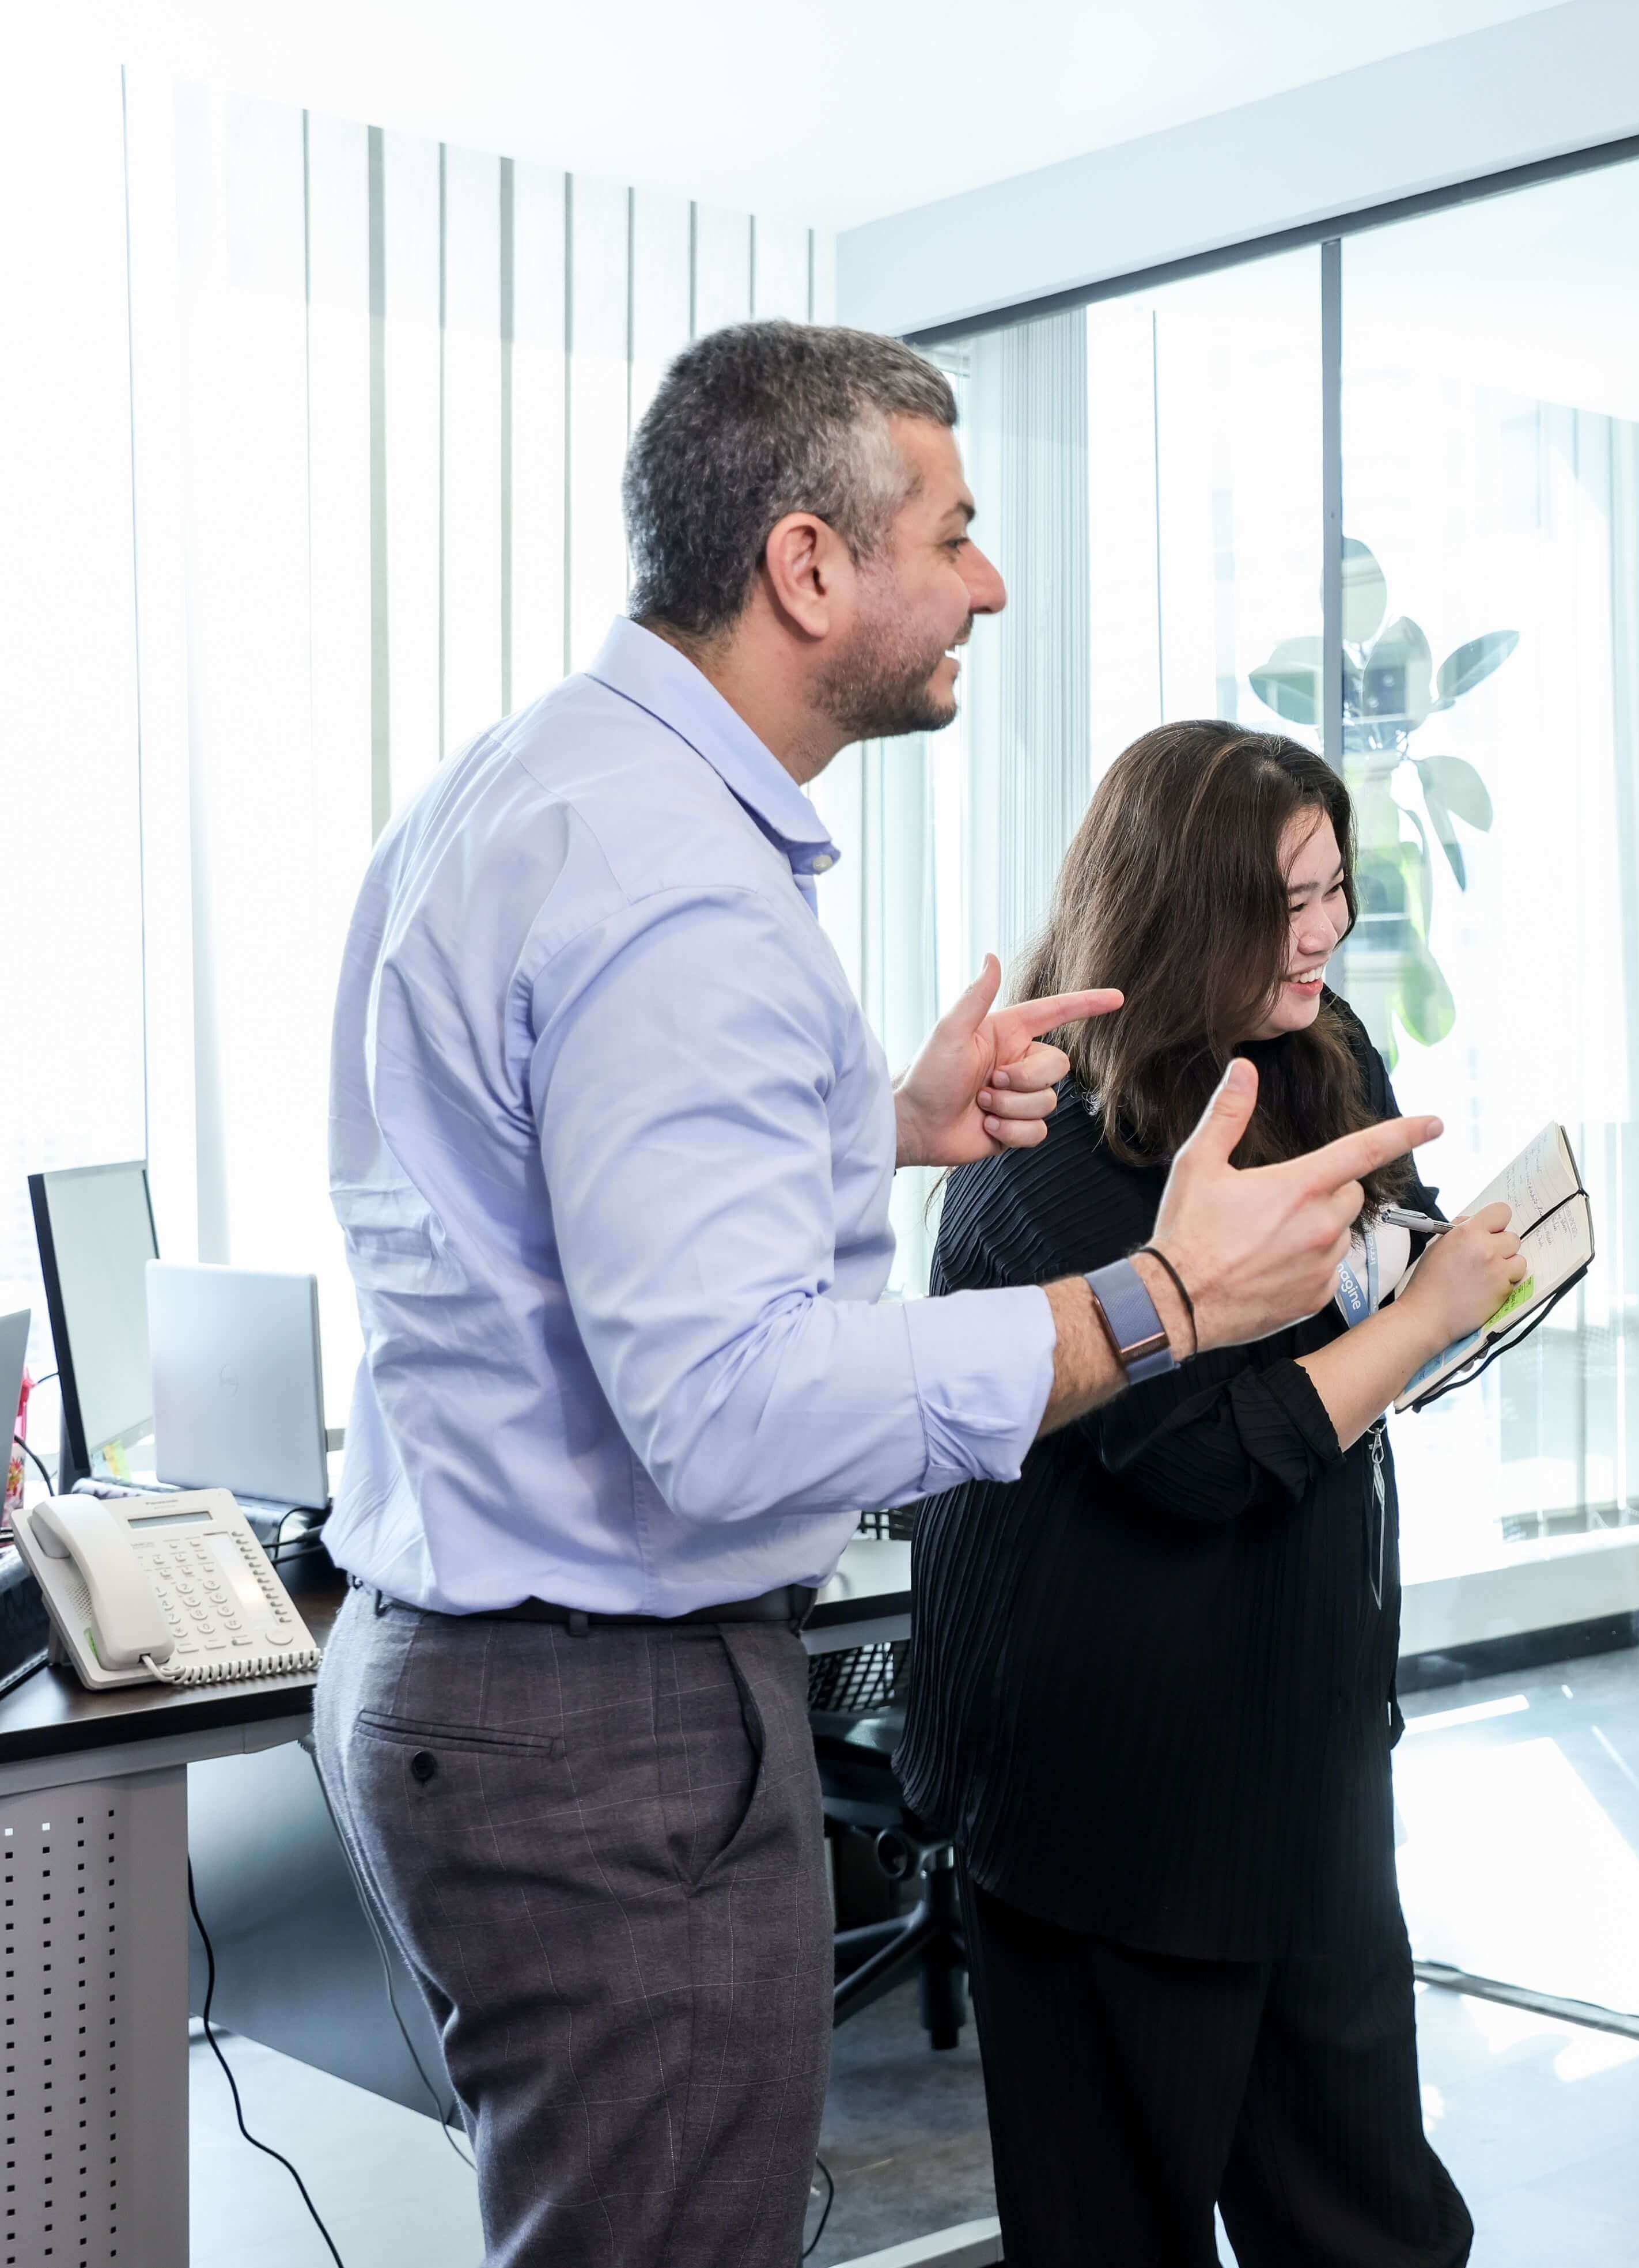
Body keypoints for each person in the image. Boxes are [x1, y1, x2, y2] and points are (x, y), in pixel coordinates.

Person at [314, 322, 1439, 2268]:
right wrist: (1159, 1298)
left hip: (499, 1678)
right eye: (957, 527)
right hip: (601, 1719)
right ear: (811, 566)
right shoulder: (668, 876)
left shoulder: (539, 790)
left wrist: (879, 1128)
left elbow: (544, 1212)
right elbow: (732, 1403)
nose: (990, 581)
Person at [901, 723, 1522, 2267]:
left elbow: (1400, 1230)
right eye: (1287, 903)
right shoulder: (1045, 1143)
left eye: (1337, 891)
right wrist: (1420, 1315)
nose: (1325, 932)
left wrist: (1433, 1289)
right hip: (1106, 1798)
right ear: (1189, 915)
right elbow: (1197, 1451)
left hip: (1302, 1757)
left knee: (1375, 2225)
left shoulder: (1321, 1044)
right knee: (1119, 2229)